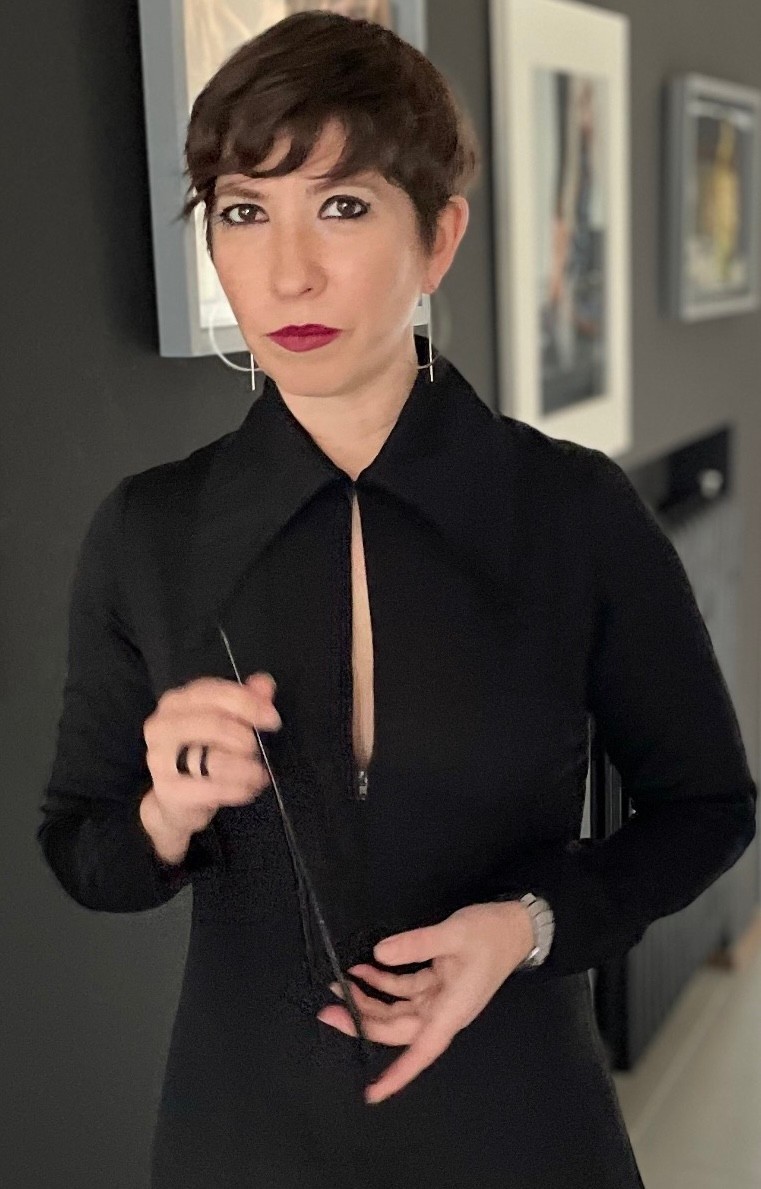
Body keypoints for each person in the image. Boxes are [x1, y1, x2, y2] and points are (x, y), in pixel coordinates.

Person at [37, 11, 757, 1189]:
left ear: (438, 237)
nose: (287, 272)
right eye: (242, 212)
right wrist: (166, 810)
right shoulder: (149, 531)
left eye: (341, 205)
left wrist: (524, 925)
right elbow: (82, 848)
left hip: (521, 1122)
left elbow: (707, 807)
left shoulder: (572, 512)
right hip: (243, 1136)